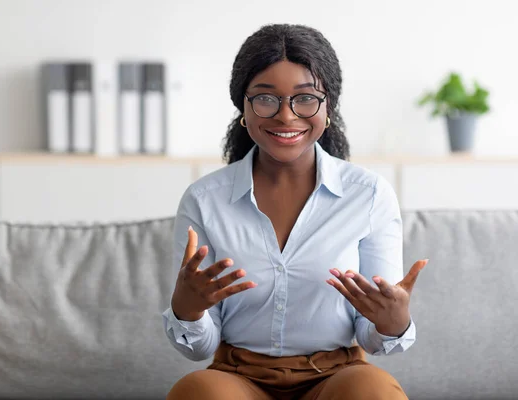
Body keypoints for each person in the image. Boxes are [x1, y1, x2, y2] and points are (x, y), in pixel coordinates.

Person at [162, 23, 428, 400]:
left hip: (336, 377)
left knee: (373, 391)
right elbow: (200, 347)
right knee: (198, 393)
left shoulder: (368, 196)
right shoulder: (204, 200)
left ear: (328, 106)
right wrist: (186, 310)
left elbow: (373, 336)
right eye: (266, 99)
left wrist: (392, 322)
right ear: (244, 105)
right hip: (238, 378)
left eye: (305, 99)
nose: (286, 117)